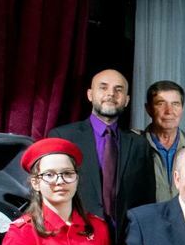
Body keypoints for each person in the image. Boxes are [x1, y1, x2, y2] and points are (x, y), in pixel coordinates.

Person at [47, 68, 156, 235]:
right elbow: (49, 193)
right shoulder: (62, 137)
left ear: (126, 100)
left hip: (126, 243)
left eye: (118, 89)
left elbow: (147, 201)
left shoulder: (140, 145)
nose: (111, 94)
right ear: (90, 95)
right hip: (76, 239)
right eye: (103, 87)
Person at [137, 80, 185, 202]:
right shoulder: (134, 146)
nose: (169, 111)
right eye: (160, 104)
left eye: (175, 104)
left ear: (182, 108)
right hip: (146, 219)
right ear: (148, 109)